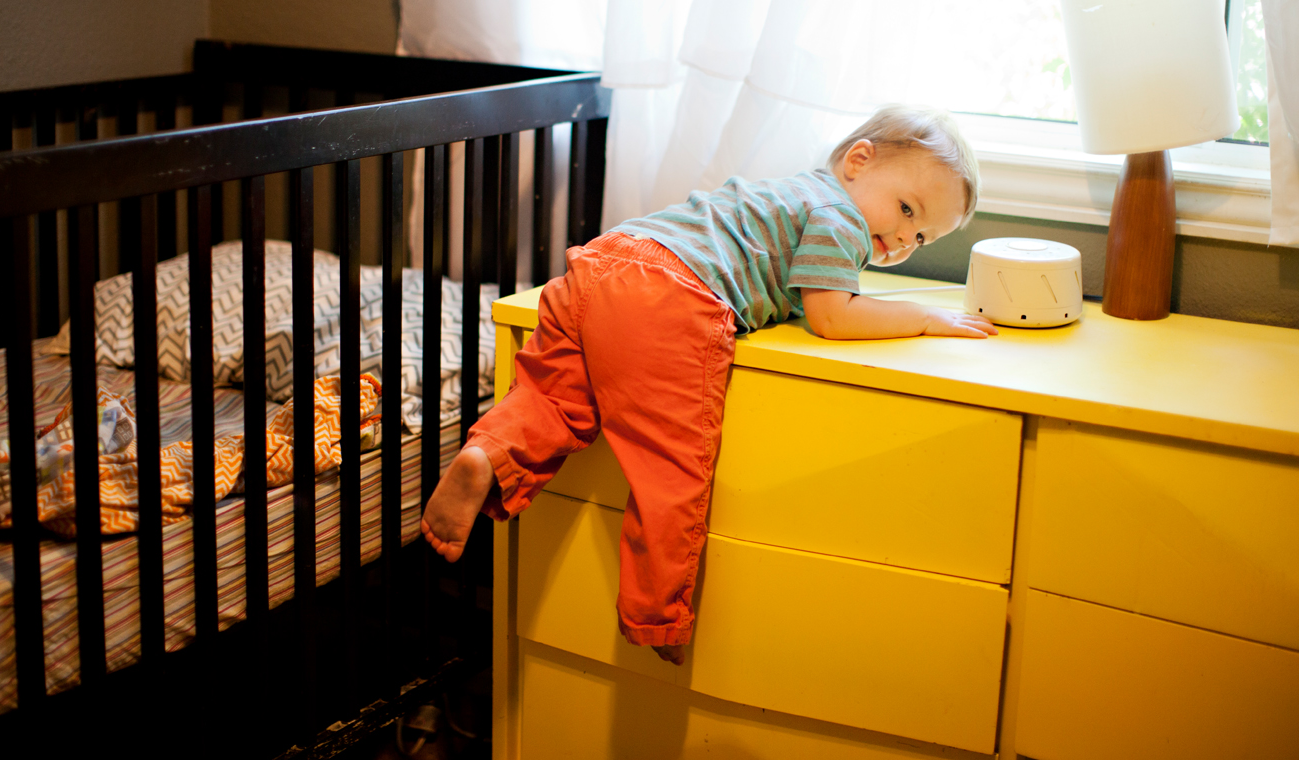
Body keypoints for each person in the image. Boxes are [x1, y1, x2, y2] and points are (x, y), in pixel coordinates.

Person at [421, 104, 996, 666]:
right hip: (669, 297)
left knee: (555, 399)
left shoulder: (794, 192)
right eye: (905, 209)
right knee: (670, 467)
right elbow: (833, 316)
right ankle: (657, 616)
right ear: (858, 161)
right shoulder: (841, 218)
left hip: (603, 263)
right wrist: (923, 318)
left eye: (921, 238)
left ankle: (486, 455)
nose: (901, 240)